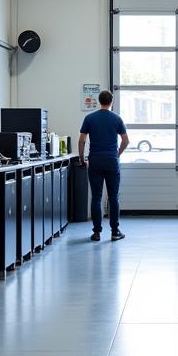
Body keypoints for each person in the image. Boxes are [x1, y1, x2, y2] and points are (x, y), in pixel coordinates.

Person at [78, 90, 129, 242]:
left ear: (99, 101)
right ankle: (115, 231)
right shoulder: (117, 119)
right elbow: (126, 141)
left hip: (95, 161)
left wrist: (82, 159)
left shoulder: (89, 118)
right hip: (112, 161)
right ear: (111, 102)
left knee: (96, 197)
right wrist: (117, 154)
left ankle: (97, 233)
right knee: (113, 197)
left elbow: (81, 141)